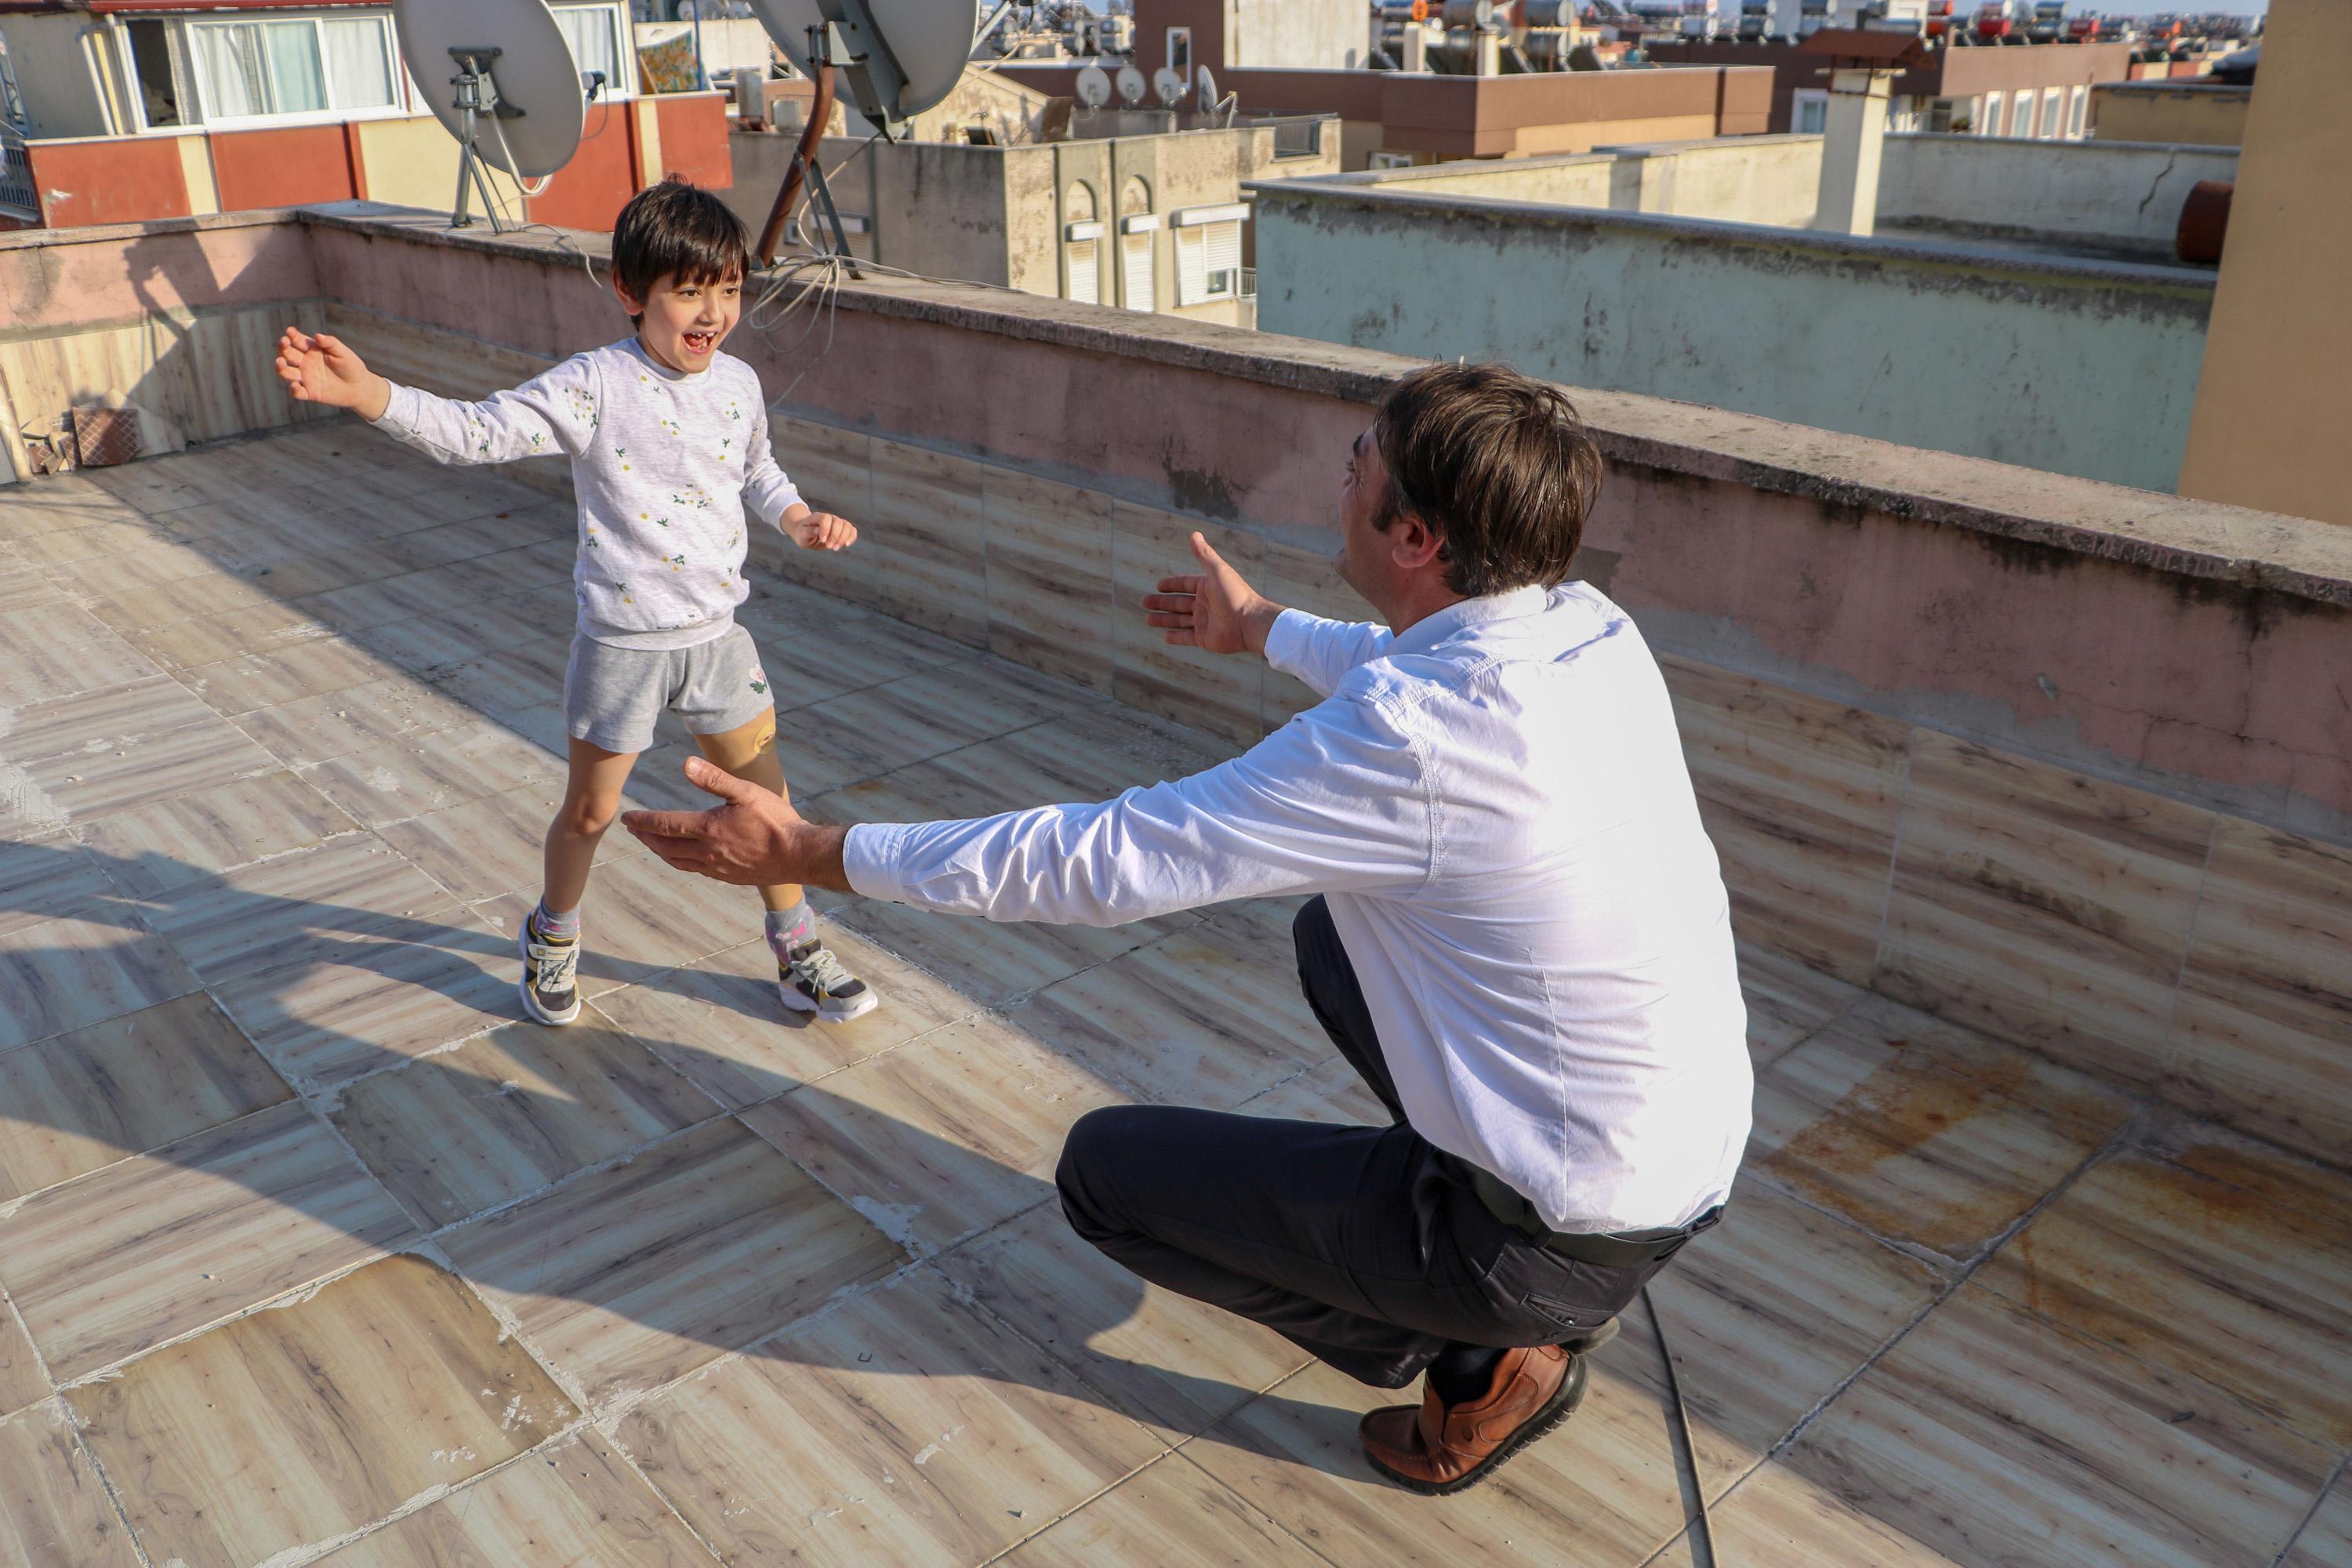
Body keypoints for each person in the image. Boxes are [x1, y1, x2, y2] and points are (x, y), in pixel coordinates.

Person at [622, 362, 1752, 1494]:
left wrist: (814, 852)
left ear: (1413, 534)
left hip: (1551, 1231)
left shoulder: (1409, 741)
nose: (1347, 466)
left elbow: (1105, 860)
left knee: (1104, 1178)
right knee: (1332, 941)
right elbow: (1405, 659)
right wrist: (1263, 629)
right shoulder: (1586, 628)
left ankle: (1474, 1356)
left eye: (1367, 453)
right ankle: (1461, 1284)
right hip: (1678, 1161)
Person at [273, 176, 879, 1029]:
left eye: (730, 289)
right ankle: (553, 933)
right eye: (689, 290)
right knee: (591, 810)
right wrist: (371, 394)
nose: (713, 312)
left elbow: (755, 469)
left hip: (720, 644)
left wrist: (798, 516)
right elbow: (476, 433)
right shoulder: (595, 384)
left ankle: (797, 951)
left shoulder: (738, 382)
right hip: (623, 648)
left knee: (769, 813)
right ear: (632, 292)